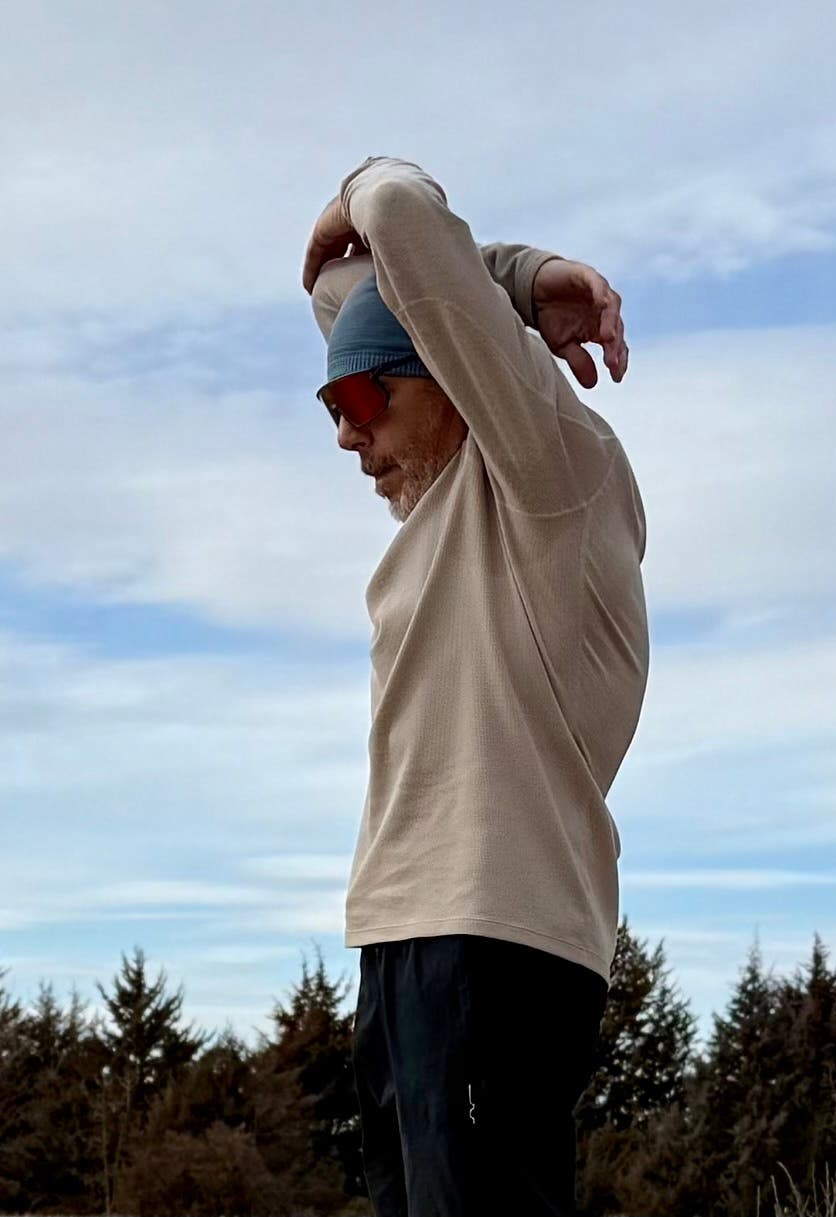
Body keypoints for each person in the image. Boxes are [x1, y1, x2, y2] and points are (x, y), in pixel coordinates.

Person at [301, 156, 651, 1217]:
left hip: (497, 937)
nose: (347, 431)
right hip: (408, 933)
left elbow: (394, 215)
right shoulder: (445, 508)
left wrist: (363, 186)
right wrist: (514, 276)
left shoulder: (548, 475)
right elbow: (342, 286)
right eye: (330, 404)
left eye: (365, 395)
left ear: (456, 371)